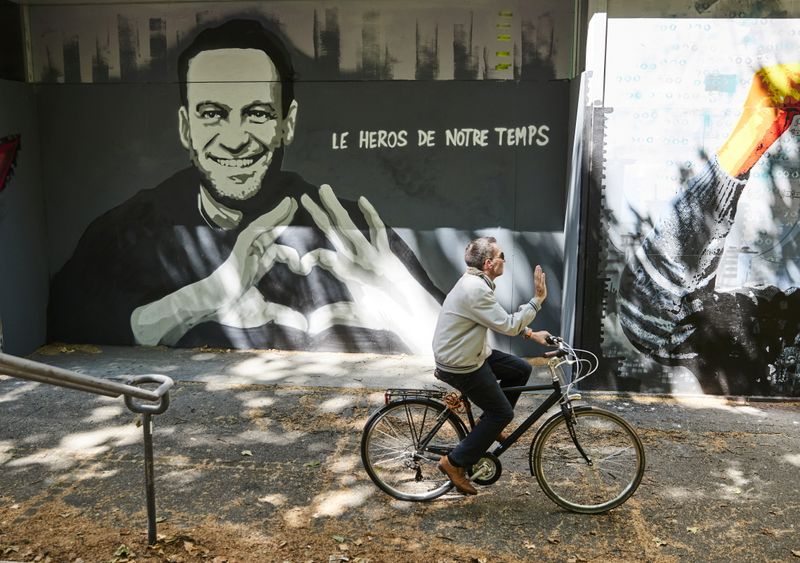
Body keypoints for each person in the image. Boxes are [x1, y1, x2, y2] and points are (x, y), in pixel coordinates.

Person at [48, 19, 444, 354]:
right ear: (186, 127)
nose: (235, 139)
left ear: (286, 123)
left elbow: (449, 347)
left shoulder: (349, 232)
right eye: (213, 114)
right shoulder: (129, 230)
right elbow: (70, 326)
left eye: (256, 113)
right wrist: (208, 294)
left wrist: (394, 287)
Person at [618, 63, 800, 396]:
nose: (764, 290)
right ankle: (764, 122)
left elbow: (652, 310)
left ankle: (762, 121)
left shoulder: (670, 330)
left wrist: (757, 125)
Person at [431, 236, 551, 494]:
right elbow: (507, 325)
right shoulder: (475, 289)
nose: (504, 260)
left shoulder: (477, 283)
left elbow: (498, 320)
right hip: (460, 362)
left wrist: (530, 334)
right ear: (488, 263)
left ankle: (488, 427)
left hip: (470, 352)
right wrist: (537, 300)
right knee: (502, 413)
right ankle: (453, 463)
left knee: (521, 369)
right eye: (502, 256)